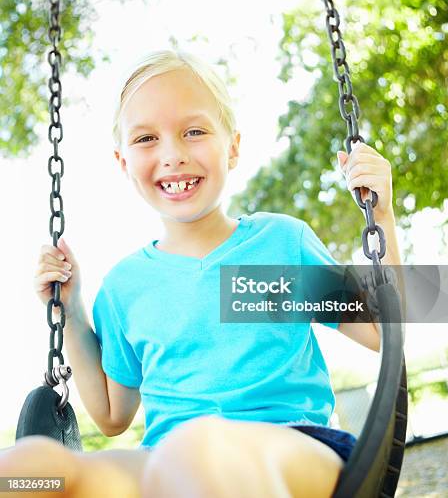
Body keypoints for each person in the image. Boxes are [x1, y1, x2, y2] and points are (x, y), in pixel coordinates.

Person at [1, 50, 403, 497]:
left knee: (201, 449)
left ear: (232, 147)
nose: (172, 155)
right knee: (27, 470)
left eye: (193, 131)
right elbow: (114, 416)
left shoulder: (279, 245)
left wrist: (381, 217)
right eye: (146, 139)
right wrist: (71, 310)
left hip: (298, 445)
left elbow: (384, 331)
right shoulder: (125, 287)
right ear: (122, 162)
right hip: (166, 459)